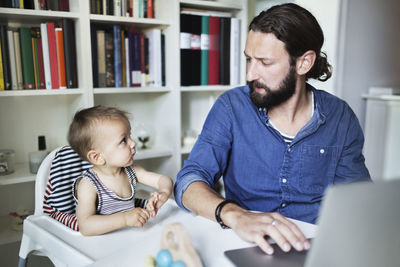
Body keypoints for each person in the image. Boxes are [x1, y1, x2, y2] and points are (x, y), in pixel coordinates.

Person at [175, 3, 370, 255]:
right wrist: (235, 214)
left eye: (264, 62)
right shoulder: (231, 107)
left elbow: (357, 202)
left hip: (316, 249)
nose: (249, 74)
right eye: (248, 59)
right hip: (247, 245)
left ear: (303, 63)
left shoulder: (340, 116)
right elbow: (189, 181)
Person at [68, 105, 173, 236]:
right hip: (103, 245)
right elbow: (86, 226)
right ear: (97, 157)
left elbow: (163, 180)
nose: (133, 143)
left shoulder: (131, 172)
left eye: (130, 135)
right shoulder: (88, 185)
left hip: (129, 238)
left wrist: (164, 192)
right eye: (123, 140)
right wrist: (124, 219)